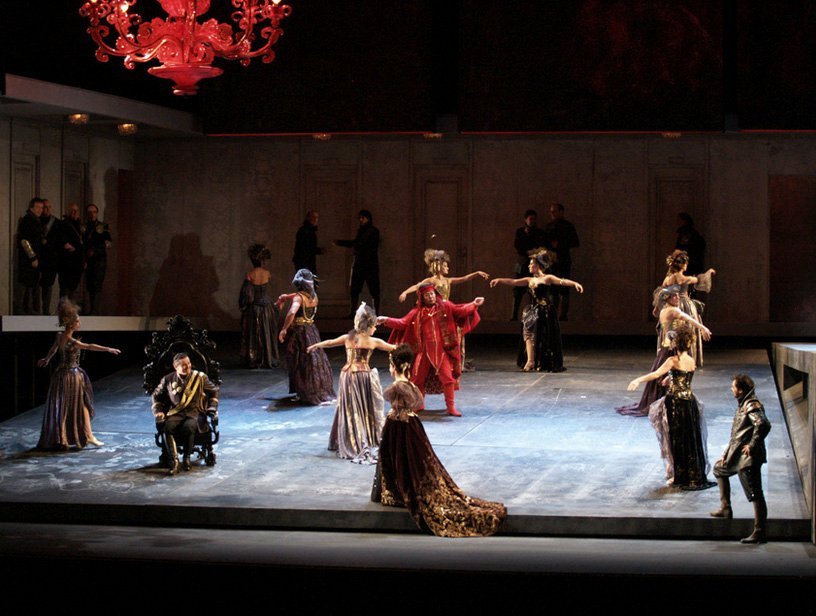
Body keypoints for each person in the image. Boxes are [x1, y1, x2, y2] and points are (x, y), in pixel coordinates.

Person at [371, 343, 506, 537]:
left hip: (399, 425)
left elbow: (389, 398)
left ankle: (398, 490)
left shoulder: (397, 387)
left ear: (396, 366)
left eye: (391, 364)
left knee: (401, 457)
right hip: (408, 423)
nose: (390, 368)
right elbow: (417, 401)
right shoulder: (409, 384)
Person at [627, 325, 715, 491]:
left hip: (675, 403)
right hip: (689, 402)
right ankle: (690, 472)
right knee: (690, 438)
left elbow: (655, 374)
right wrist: (670, 378)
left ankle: (679, 474)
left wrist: (638, 380)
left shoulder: (672, 360)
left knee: (676, 438)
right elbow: (683, 376)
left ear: (676, 343)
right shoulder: (691, 360)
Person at [377, 282, 483, 417]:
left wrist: (474, 304)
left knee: (448, 378)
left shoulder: (445, 306)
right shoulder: (417, 312)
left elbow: (461, 310)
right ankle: (419, 405)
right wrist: (386, 320)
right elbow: (402, 323)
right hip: (423, 351)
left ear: (435, 294)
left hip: (441, 351)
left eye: (432, 294)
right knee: (417, 379)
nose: (431, 297)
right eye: (427, 295)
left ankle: (451, 407)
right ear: (422, 298)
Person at [307, 303, 395, 463]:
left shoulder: (348, 338)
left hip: (347, 375)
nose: (375, 329)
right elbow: (393, 348)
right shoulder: (373, 341)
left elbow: (330, 342)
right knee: (361, 406)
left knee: (349, 406)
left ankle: (349, 436)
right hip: (363, 376)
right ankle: (360, 437)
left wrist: (316, 345)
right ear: (369, 326)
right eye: (374, 326)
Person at [36, 298, 120, 450]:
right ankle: (82, 436)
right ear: (71, 324)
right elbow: (89, 346)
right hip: (72, 376)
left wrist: (47, 359)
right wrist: (108, 349)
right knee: (77, 405)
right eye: (78, 321)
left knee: (67, 406)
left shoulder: (59, 336)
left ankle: (72, 437)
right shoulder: (71, 341)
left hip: (61, 375)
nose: (79, 323)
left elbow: (54, 349)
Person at [617, 285, 712, 416]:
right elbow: (689, 319)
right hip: (672, 347)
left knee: (664, 374)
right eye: (674, 296)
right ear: (667, 299)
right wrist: (703, 328)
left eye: (678, 295)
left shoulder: (665, 310)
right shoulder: (673, 310)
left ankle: (662, 400)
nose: (677, 298)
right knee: (668, 374)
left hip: (667, 345)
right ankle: (668, 402)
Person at [490, 248, 583, 372]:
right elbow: (513, 281)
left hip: (545, 311)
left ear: (538, 265)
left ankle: (541, 361)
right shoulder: (529, 280)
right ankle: (530, 361)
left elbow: (562, 281)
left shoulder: (547, 278)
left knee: (543, 336)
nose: (529, 266)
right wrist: (499, 280)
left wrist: (575, 284)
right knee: (528, 333)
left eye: (531, 264)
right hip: (533, 311)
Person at [710, 374, 772, 544]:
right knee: (718, 469)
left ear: (741, 390)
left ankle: (760, 532)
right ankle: (725, 507)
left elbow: (763, 424)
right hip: (737, 455)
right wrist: (726, 454)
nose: (732, 389)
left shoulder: (751, 404)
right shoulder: (743, 404)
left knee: (754, 493)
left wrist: (752, 445)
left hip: (747, 458)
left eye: (734, 387)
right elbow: (737, 433)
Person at [151, 352, 219, 475]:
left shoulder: (200, 377)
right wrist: (159, 411)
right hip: (176, 413)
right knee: (167, 427)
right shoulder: (168, 379)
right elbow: (156, 396)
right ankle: (174, 461)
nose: (187, 366)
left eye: (188, 363)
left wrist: (212, 408)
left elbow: (214, 391)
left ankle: (186, 459)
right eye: (183, 365)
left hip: (195, 413)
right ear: (175, 367)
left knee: (189, 426)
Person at [277, 269, 335, 405]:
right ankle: (314, 389)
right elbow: (299, 296)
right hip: (311, 330)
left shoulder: (299, 298)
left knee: (300, 361)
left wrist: (284, 329)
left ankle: (303, 392)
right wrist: (285, 297)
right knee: (313, 360)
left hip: (299, 332)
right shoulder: (314, 297)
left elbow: (292, 312)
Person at [660, 249, 716, 366]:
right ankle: (687, 358)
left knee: (669, 329)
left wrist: (657, 308)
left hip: (669, 306)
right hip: (683, 305)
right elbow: (700, 280)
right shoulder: (683, 278)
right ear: (683, 264)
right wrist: (709, 272)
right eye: (686, 263)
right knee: (686, 329)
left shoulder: (667, 279)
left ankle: (667, 356)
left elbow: (661, 294)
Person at [239, 244, 280, 368]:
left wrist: (244, 305)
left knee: (255, 334)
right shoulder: (267, 273)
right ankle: (267, 358)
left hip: (255, 308)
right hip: (267, 307)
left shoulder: (250, 274)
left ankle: (256, 358)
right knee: (266, 332)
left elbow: (247, 295)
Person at [398, 249, 489, 303]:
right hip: (436, 308)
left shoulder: (448, 280)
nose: (447, 268)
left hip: (446, 307)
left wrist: (477, 273)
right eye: (445, 266)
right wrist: (405, 292)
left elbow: (465, 278)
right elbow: (417, 286)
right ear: (439, 267)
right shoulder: (431, 280)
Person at [334, 209, 380, 314]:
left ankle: (374, 313)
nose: (360, 220)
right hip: (364, 264)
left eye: (362, 218)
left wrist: (341, 243)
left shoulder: (371, 231)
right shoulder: (365, 231)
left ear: (368, 218)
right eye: (360, 218)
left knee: (372, 289)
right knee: (357, 289)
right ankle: (358, 312)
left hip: (368, 264)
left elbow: (358, 243)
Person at [544, 202, 580, 320]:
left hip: (564, 260)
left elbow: (575, 242)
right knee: (552, 289)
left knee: (564, 289)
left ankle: (563, 315)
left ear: (561, 212)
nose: (552, 214)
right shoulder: (548, 226)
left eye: (554, 211)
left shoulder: (568, 226)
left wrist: (560, 244)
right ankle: (553, 315)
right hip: (551, 262)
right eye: (551, 211)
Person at [510, 209, 547, 320]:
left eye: (534, 219)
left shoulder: (539, 233)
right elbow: (518, 246)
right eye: (530, 219)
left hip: (534, 264)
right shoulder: (520, 232)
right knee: (517, 291)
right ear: (525, 220)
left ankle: (532, 317)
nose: (532, 221)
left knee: (534, 290)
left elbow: (540, 247)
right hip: (522, 264)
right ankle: (514, 316)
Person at [15, 197, 44, 314]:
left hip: (32, 258)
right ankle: (21, 309)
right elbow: (24, 241)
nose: (40, 210)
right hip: (27, 259)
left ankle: (28, 308)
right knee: (24, 283)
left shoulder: (35, 220)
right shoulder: (28, 220)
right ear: (31, 208)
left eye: (41, 207)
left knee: (31, 283)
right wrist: (33, 257)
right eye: (38, 207)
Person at [83, 203, 112, 315]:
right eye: (90, 212)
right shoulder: (84, 226)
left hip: (99, 260)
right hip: (87, 260)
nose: (92, 214)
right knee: (89, 285)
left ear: (97, 213)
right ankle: (91, 310)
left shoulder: (103, 226)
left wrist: (95, 250)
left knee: (97, 284)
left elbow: (109, 243)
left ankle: (95, 311)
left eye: (94, 212)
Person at [58, 203, 84, 301]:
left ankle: (72, 308)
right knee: (65, 290)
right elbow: (63, 242)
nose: (74, 212)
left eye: (76, 210)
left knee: (74, 289)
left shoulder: (80, 225)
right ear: (68, 212)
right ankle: (63, 308)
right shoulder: (63, 224)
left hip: (77, 263)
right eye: (72, 210)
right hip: (66, 263)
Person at [39, 198, 60, 315]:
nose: (47, 209)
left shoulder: (56, 222)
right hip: (38, 257)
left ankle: (46, 311)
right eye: (44, 207)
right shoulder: (36, 220)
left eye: (49, 207)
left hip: (51, 259)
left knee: (48, 286)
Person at [292, 210, 323, 274]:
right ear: (308, 218)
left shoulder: (308, 230)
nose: (315, 219)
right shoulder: (306, 231)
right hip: (305, 263)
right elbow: (306, 247)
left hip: (306, 262)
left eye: (317, 217)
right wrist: (318, 250)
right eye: (313, 217)